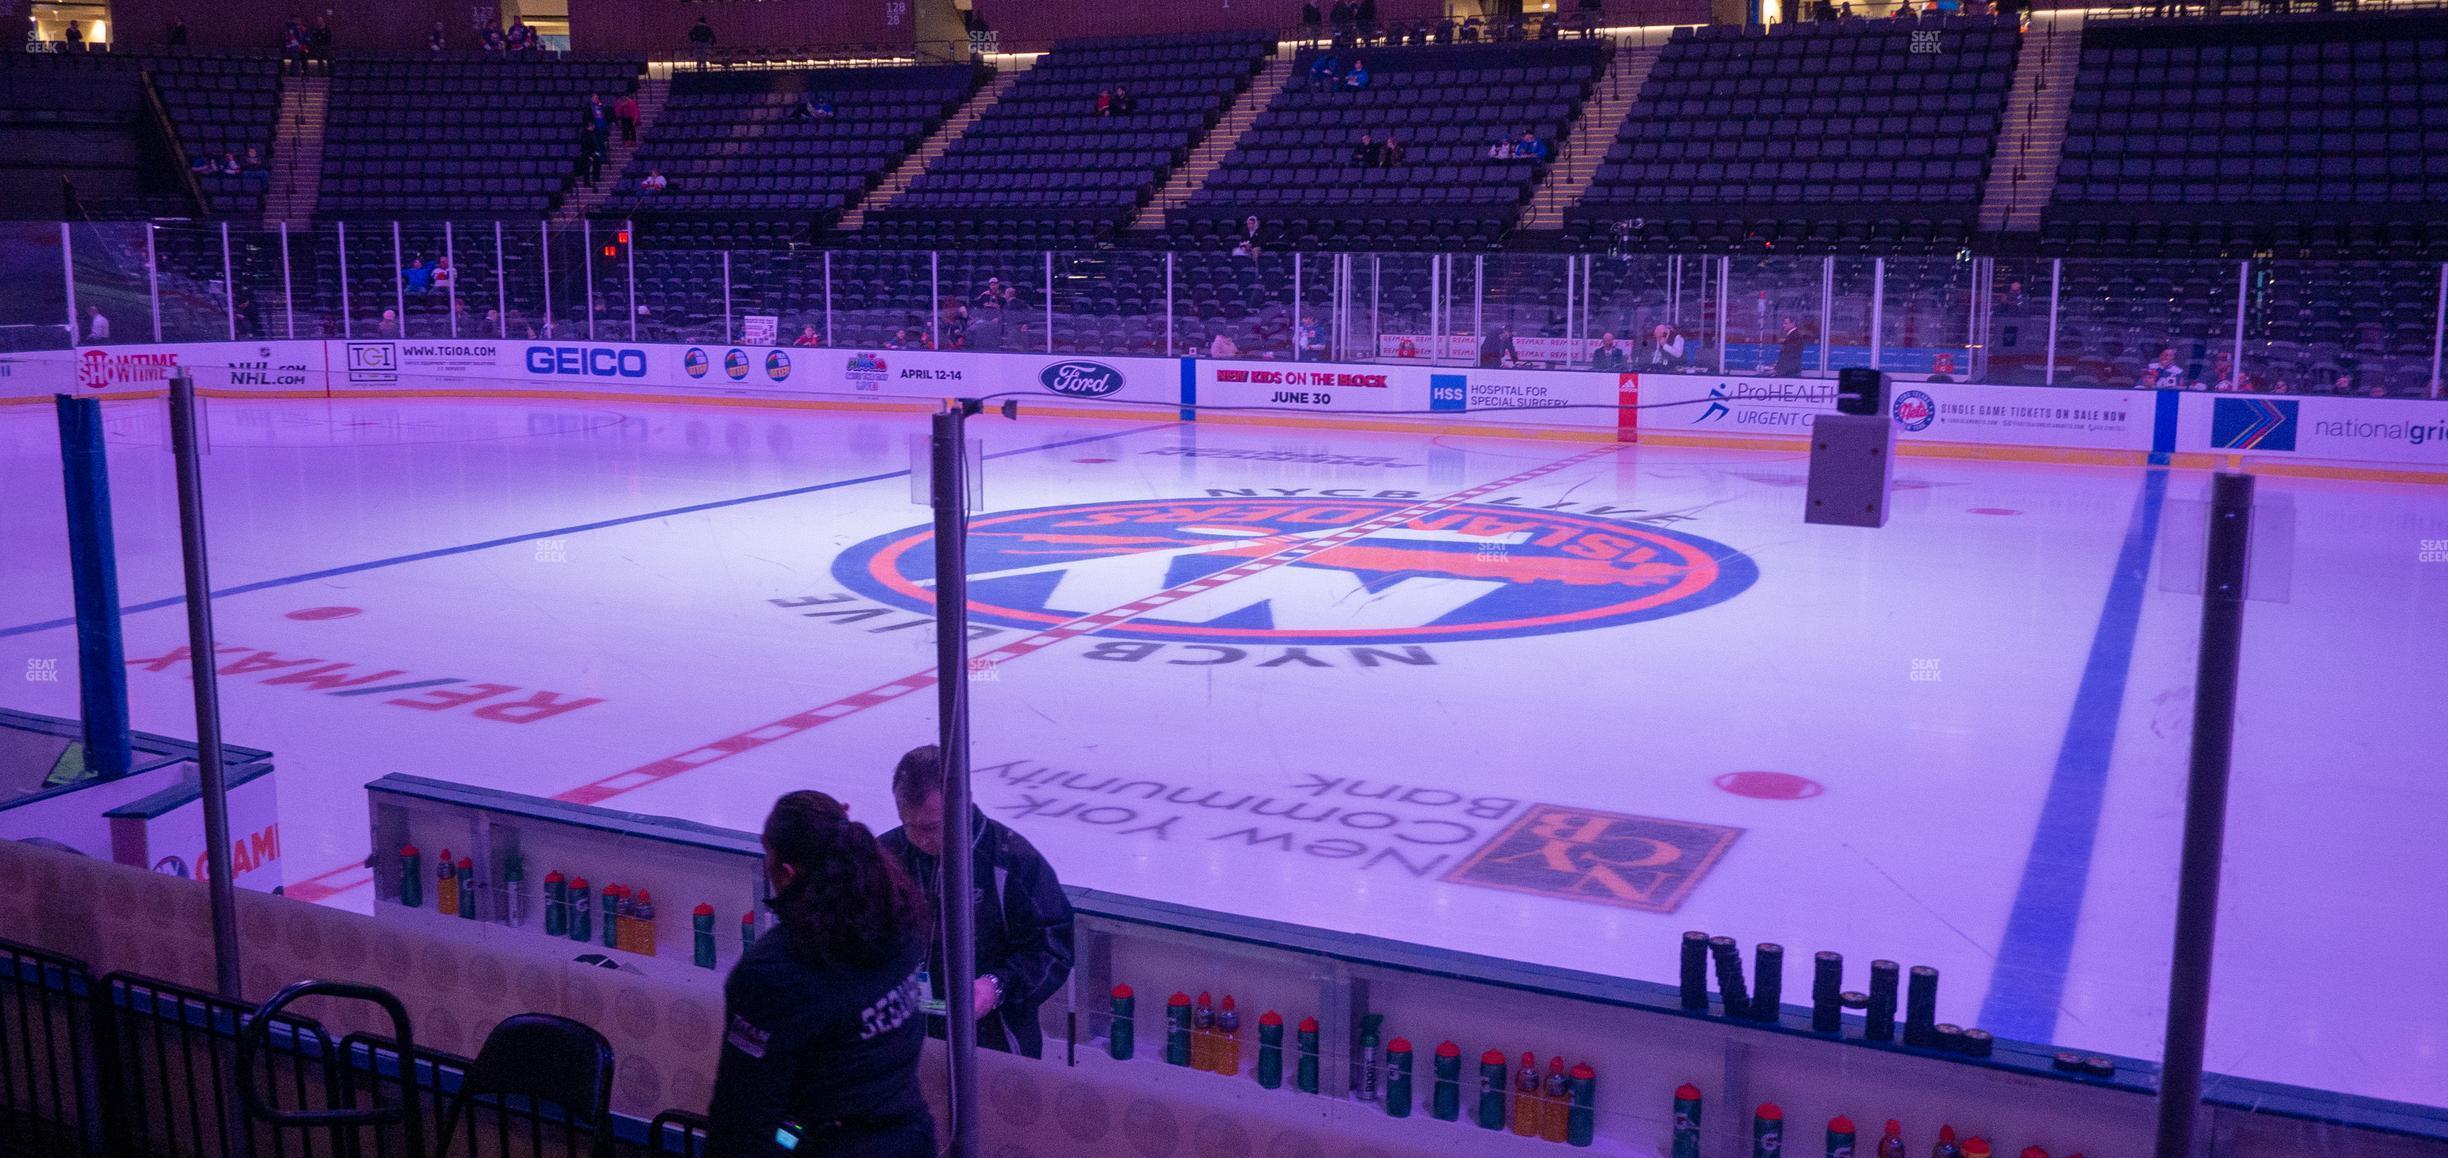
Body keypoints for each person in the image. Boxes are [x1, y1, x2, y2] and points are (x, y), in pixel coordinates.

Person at [706, 791, 934, 1157]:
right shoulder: (900, 918)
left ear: (787, 871)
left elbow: (743, 1115)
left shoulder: (775, 973)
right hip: (907, 1135)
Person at [878, 746, 1073, 1059]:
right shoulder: (885, 857)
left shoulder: (1013, 862)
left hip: (995, 1043)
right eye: (908, 825)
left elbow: (1053, 947)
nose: (920, 838)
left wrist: (996, 986)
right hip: (903, 1041)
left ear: (963, 802)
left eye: (931, 826)